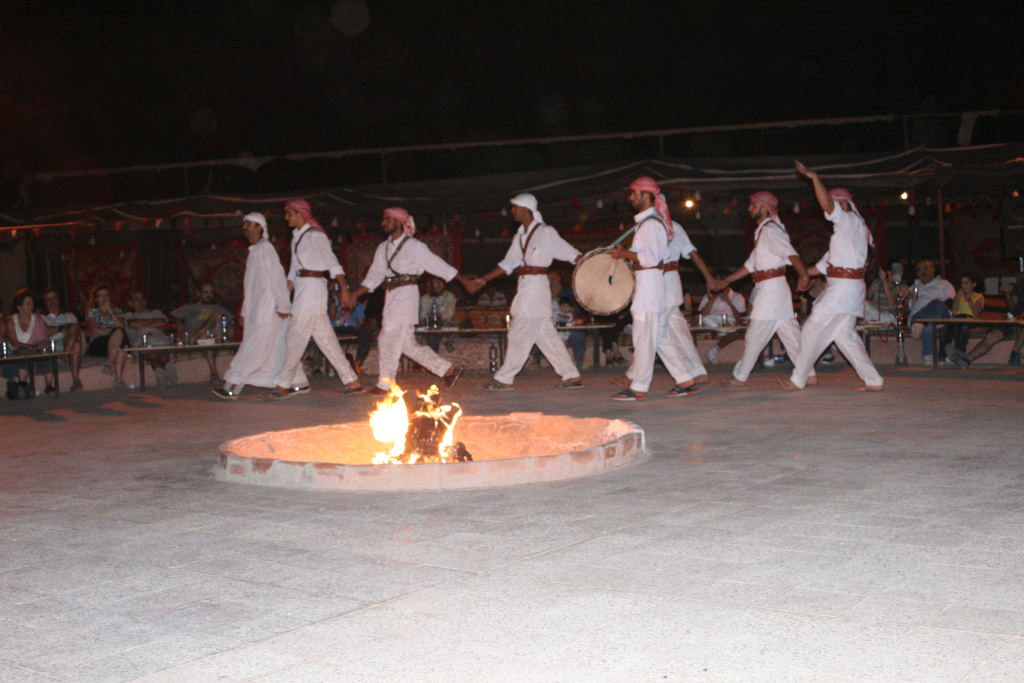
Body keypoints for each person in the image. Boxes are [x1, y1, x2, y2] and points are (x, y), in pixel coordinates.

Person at [781, 162, 884, 391]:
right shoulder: (849, 235)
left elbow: (828, 206)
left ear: (845, 204)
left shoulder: (849, 222)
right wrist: (795, 269)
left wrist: (814, 177)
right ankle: (873, 380)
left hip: (843, 289)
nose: (831, 210)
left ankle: (798, 378)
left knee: (810, 328)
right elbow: (820, 268)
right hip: (848, 288)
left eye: (836, 204)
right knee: (845, 337)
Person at [468, 193, 584, 391]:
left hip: (537, 288)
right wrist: (483, 279)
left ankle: (504, 378)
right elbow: (508, 264)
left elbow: (571, 254)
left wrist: (590, 264)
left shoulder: (546, 232)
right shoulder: (520, 236)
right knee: (545, 336)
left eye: (514, 207)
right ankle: (571, 376)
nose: (512, 211)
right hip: (524, 286)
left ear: (525, 209)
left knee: (519, 331)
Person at [349, 206, 470, 394]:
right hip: (390, 297)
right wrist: (355, 294)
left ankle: (385, 384)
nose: (382, 223)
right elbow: (374, 276)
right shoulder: (383, 248)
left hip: (406, 296)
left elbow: (437, 265)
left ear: (399, 222)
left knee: (386, 336)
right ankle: (448, 370)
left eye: (387, 219)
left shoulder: (415, 246)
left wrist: (463, 280)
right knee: (407, 345)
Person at [607, 177, 694, 400]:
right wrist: (625, 254)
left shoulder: (652, 225)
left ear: (646, 195)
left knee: (644, 336)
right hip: (650, 283)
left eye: (634, 193)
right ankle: (685, 379)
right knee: (660, 336)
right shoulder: (648, 224)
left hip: (650, 285)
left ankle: (638, 388)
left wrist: (623, 254)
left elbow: (651, 258)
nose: (630, 197)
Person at [270, 198, 363, 399]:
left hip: (313, 288)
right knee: (325, 339)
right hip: (303, 288)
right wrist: (284, 298)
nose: (286, 218)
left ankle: (282, 385)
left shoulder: (315, 236)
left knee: (295, 336)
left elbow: (333, 263)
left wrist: (344, 291)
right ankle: (351, 380)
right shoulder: (297, 237)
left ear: (300, 214)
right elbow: (293, 271)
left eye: (289, 213)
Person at [717, 190, 812, 387]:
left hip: (772, 290)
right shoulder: (762, 231)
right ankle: (809, 374)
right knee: (791, 335)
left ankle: (740, 376)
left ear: (763, 207)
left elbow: (791, 254)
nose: (749, 208)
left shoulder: (770, 230)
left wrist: (803, 274)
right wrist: (727, 280)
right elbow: (751, 265)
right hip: (773, 288)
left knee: (755, 335)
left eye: (752, 205)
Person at [213, 213, 290, 400]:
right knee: (275, 349)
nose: (245, 227)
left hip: (269, 309)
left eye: (248, 224)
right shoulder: (254, 251)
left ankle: (232, 386)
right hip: (257, 310)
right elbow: (251, 286)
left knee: (253, 347)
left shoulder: (266, 249)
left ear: (259, 227)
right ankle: (294, 384)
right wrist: (245, 311)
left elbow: (278, 277)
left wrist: (283, 305)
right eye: (244, 224)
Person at [661, 208, 717, 386]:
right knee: (676, 328)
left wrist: (709, 278)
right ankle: (697, 371)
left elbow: (692, 253)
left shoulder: (674, 227)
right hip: (652, 281)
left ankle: (687, 374)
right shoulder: (645, 226)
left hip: (668, 280)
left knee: (656, 328)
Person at [947, 273, 1024, 368]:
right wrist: (1008, 294)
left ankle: (1015, 354)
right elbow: (1013, 308)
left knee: (1022, 326)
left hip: (1020, 324)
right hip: (1012, 322)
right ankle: (967, 359)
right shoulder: (1019, 287)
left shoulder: (978, 297)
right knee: (991, 336)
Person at [170, 281, 234, 383]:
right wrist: (180, 327)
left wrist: (230, 329)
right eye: (205, 292)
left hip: (214, 337)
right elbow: (173, 318)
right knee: (215, 317)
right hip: (196, 340)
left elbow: (231, 322)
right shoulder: (190, 308)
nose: (209, 295)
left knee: (217, 316)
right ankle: (197, 337)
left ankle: (214, 374)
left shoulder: (219, 308)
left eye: (211, 293)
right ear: (198, 293)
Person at [3, 289, 54, 396]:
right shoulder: (11, 320)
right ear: (19, 306)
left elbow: (45, 337)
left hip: (36, 348)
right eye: (28, 304)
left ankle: (49, 385)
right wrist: (29, 347)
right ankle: (23, 384)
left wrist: (42, 344)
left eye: (32, 304)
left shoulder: (37, 319)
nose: (31, 306)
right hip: (20, 349)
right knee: (23, 352)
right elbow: (14, 341)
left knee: (47, 352)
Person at [123, 290, 177, 388]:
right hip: (141, 343)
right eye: (137, 299)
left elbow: (162, 322)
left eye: (143, 299)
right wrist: (153, 322)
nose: (141, 302)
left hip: (159, 340)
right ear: (130, 303)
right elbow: (132, 323)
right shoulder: (128, 316)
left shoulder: (156, 312)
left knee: (161, 353)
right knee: (151, 353)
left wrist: (142, 325)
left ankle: (163, 371)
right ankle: (164, 370)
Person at [906, 259, 955, 365]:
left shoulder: (944, 284)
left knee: (936, 303)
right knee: (930, 324)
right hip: (918, 316)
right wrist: (908, 299)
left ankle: (928, 355)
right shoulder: (914, 287)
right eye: (919, 269)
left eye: (925, 268)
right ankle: (929, 356)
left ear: (933, 269)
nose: (922, 271)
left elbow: (951, 303)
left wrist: (935, 306)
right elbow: (909, 308)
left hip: (939, 314)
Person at [84, 283, 130, 388]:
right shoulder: (92, 312)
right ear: (96, 299)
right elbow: (94, 330)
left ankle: (116, 376)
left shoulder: (117, 311)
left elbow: (122, 327)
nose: (104, 299)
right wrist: (114, 331)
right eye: (100, 296)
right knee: (120, 338)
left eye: (106, 295)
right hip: (99, 342)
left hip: (116, 342)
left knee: (121, 343)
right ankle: (117, 376)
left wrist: (110, 312)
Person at [698, 271, 747, 365]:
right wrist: (712, 299)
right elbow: (702, 315)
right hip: (711, 321)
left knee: (735, 329)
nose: (717, 284)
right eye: (716, 281)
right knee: (705, 319)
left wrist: (729, 302)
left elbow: (739, 319)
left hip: (729, 320)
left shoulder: (737, 296)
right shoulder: (708, 296)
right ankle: (722, 330)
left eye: (720, 282)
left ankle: (714, 348)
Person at [41, 287, 84, 391]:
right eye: (48, 299)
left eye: (54, 298)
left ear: (59, 300)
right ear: (45, 303)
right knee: (75, 343)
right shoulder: (42, 318)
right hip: (52, 345)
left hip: (68, 342)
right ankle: (75, 379)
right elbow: (45, 332)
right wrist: (62, 328)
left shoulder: (69, 316)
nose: (52, 302)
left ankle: (75, 379)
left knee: (75, 336)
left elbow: (76, 330)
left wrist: (60, 330)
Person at [328, 278, 374, 373]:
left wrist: (354, 310)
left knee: (367, 332)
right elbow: (332, 317)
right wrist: (333, 301)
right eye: (340, 294)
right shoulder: (332, 304)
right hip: (336, 328)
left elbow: (361, 322)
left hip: (352, 328)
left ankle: (358, 361)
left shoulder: (357, 305)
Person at [940, 273, 984, 364]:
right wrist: (957, 298)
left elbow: (976, 313)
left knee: (963, 327)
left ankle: (958, 354)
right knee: (946, 328)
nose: (963, 286)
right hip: (958, 318)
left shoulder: (979, 296)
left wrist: (969, 299)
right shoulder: (960, 296)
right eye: (962, 283)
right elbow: (954, 312)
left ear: (973, 284)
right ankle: (942, 356)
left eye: (966, 283)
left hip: (970, 319)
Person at [419, 275, 457, 352]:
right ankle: (444, 339)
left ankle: (434, 352)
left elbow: (449, 314)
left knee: (436, 327)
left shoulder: (450, 296)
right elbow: (422, 316)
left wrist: (435, 316)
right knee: (431, 327)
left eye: (439, 282)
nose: (435, 285)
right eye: (433, 282)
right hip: (429, 323)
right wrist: (434, 316)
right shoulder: (424, 298)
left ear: (444, 284)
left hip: (444, 323)